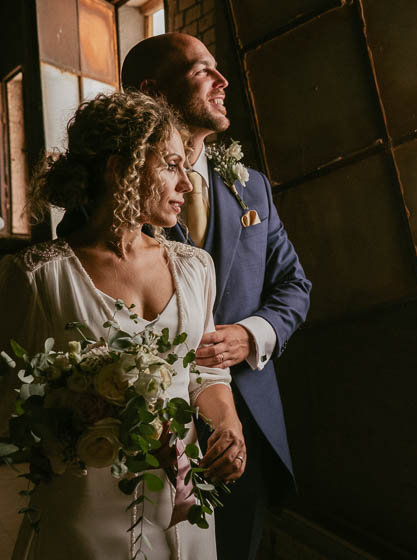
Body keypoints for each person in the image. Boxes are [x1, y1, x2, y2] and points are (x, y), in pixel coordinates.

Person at [0, 91, 244, 558]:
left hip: (181, 500)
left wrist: (228, 425)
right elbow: (9, 404)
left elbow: (205, 373)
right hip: (85, 508)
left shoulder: (195, 268)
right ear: (120, 169)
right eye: (171, 165)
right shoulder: (36, 278)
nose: (187, 184)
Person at [119, 33, 312, 560]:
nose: (223, 81)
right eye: (203, 70)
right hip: (144, 430)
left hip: (245, 422)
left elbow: (294, 286)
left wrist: (252, 334)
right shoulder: (113, 193)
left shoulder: (253, 187)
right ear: (152, 91)